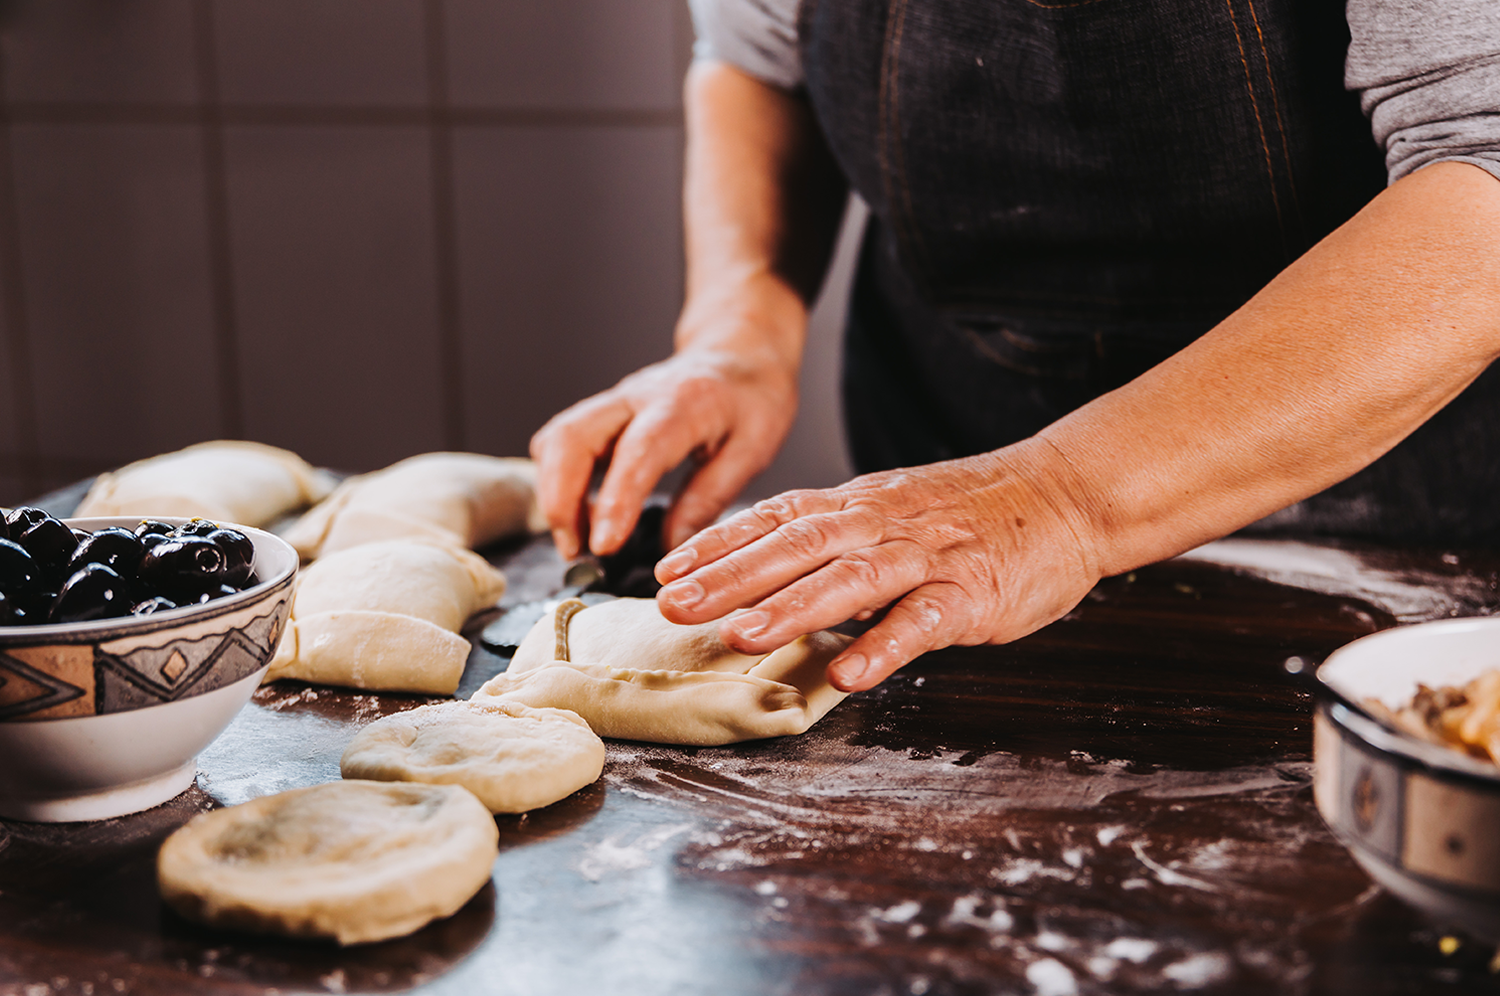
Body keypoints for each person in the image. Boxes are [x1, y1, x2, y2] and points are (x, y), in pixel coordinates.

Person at [530, 0, 1500, 695]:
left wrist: (1062, 497)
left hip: (1371, 516)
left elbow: (1482, 168)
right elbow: (758, 50)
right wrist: (739, 328)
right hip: (947, 466)